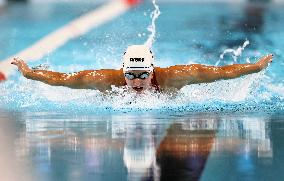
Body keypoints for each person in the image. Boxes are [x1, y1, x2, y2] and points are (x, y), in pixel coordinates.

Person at [11, 45, 273, 93]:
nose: (137, 81)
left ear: (153, 70)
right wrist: (30, 72)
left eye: (143, 75)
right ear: (122, 70)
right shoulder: (104, 80)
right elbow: (62, 80)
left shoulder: (176, 76)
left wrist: (255, 67)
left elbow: (222, 72)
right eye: (131, 75)